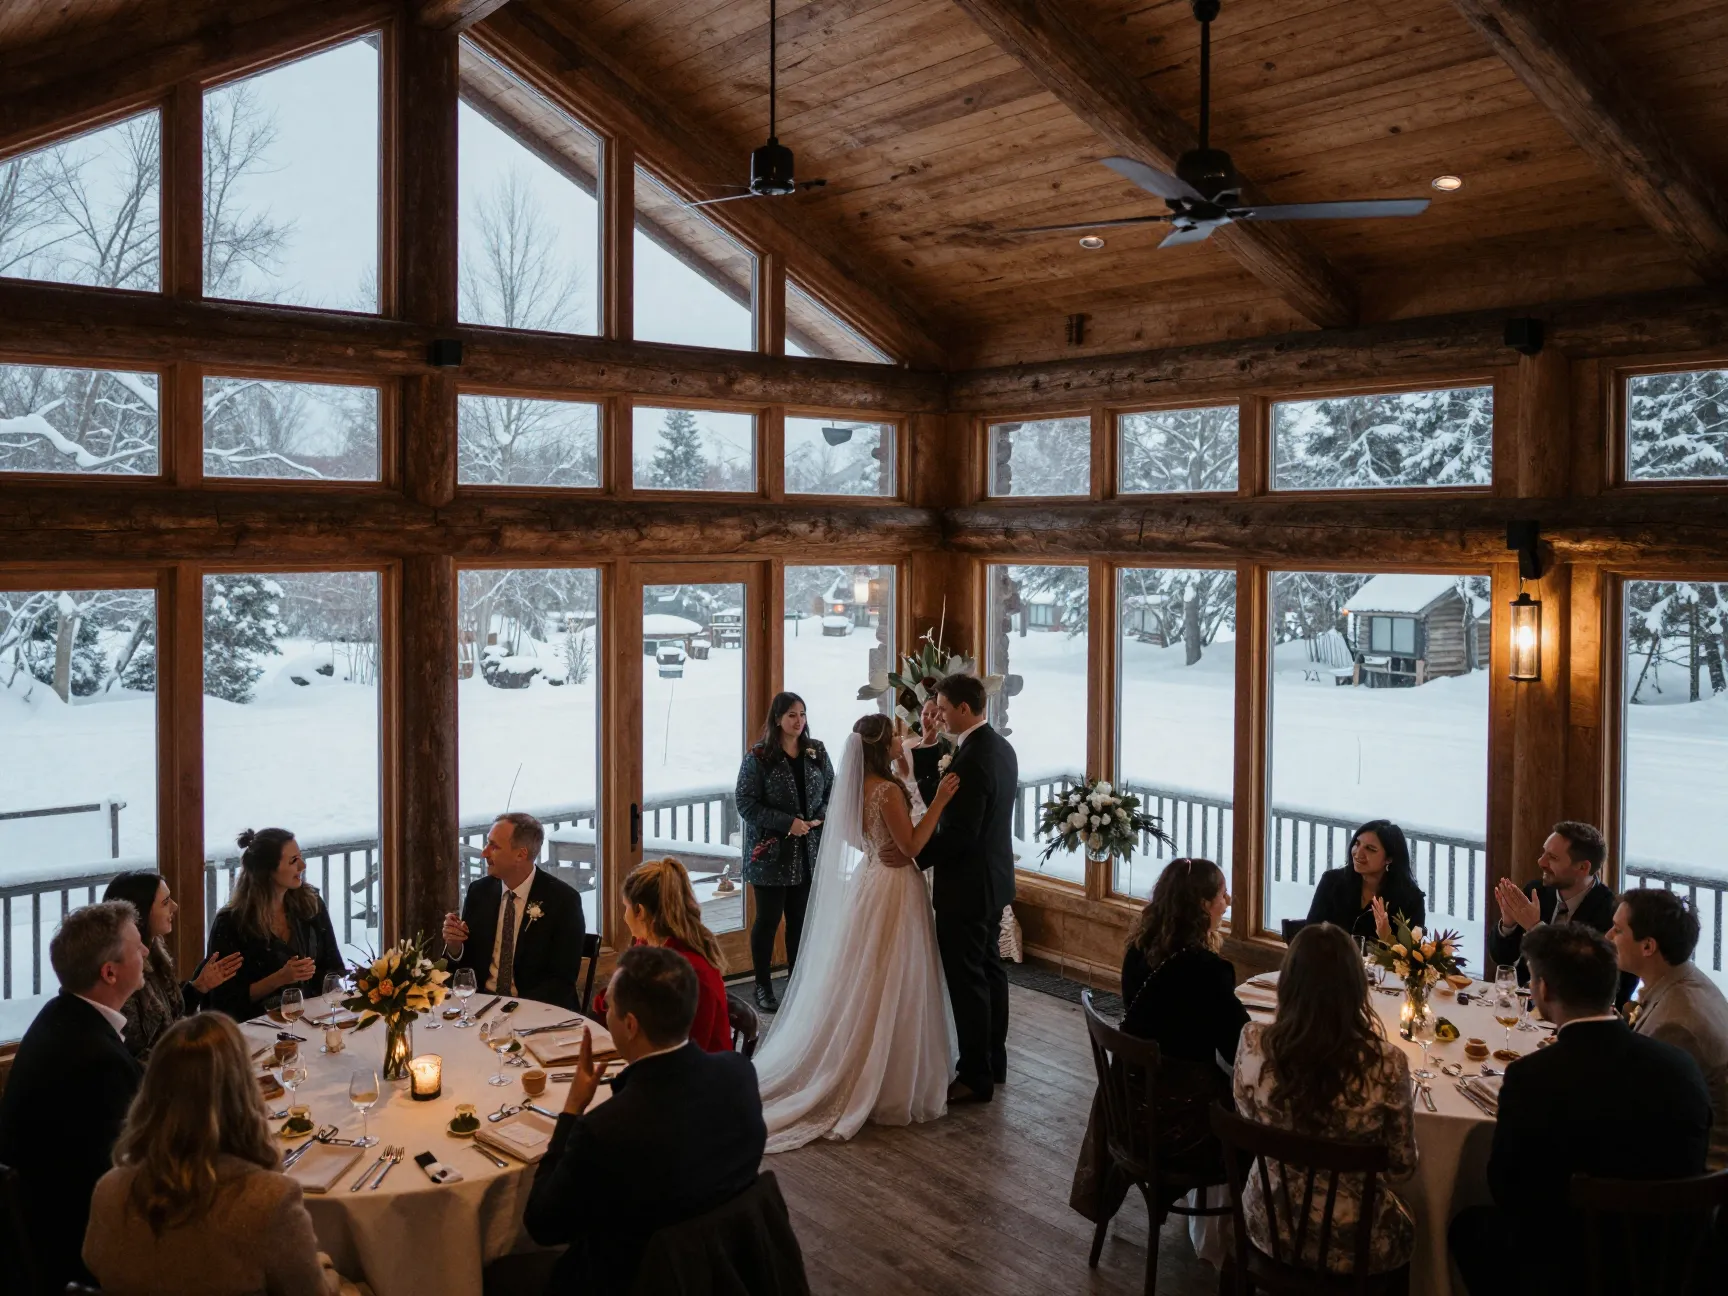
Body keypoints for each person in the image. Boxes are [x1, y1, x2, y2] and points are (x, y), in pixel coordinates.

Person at [1449, 924, 1711, 1296]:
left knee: (1467, 1225)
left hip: (1572, 1269)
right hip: (1674, 1263)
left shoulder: (1532, 1078)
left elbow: (1508, 1190)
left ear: (1543, 990)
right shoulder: (1680, 1065)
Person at [754, 714, 960, 1151]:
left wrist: (876, 845)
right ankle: (881, 1078)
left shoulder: (865, 786)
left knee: (869, 974)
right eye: (896, 735)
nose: (902, 739)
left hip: (871, 877)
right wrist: (940, 800)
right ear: (883, 745)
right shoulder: (884, 791)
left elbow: (850, 835)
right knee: (892, 976)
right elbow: (911, 847)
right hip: (894, 888)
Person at [525, 946, 766, 1295]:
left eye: (610, 1010)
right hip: (726, 1270)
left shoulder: (607, 1128)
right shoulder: (739, 1074)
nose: (605, 1016)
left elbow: (542, 1225)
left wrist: (572, 1109)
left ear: (631, 1024)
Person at [83, 1013, 336, 1296]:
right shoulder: (270, 1201)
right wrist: (324, 1264)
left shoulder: (110, 1191)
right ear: (243, 1091)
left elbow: (96, 1264)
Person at [1070, 858, 1246, 1234]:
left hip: (1129, 1108)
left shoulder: (1139, 948)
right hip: (1180, 1124)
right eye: (1222, 894)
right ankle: (1235, 1244)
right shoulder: (1209, 972)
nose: (1227, 901)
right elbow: (1238, 1052)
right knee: (1256, 1127)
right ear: (1202, 904)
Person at [1233, 923, 1418, 1276]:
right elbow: (1402, 1168)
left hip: (1268, 1221)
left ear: (1287, 984)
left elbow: (1247, 1115)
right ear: (1356, 989)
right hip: (1352, 1244)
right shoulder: (1386, 1064)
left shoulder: (1253, 1042)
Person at [0, 901, 146, 1294]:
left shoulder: (62, 1015)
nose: (147, 951)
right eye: (137, 947)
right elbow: (129, 1171)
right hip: (77, 1250)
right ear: (110, 972)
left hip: (51, 1221)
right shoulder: (93, 1059)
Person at [911, 672, 1017, 1103]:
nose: (937, 711)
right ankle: (994, 1059)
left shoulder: (973, 758)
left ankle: (975, 1074)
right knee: (990, 970)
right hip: (994, 880)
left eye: (941, 705)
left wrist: (914, 857)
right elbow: (948, 799)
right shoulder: (997, 747)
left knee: (968, 978)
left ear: (963, 709)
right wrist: (929, 742)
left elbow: (961, 833)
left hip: (968, 888)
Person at [1610, 888, 1728, 1170]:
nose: (1608, 938)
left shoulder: (1676, 1025)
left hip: (1692, 1179)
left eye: (1617, 930)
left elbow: (1631, 1109)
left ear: (1648, 946)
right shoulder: (1686, 977)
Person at [735, 692, 834, 1011]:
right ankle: (762, 985)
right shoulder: (759, 756)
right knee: (768, 920)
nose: (799, 720)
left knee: (800, 920)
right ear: (777, 718)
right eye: (792, 714)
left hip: (807, 853)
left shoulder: (816, 752)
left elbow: (832, 790)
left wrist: (819, 815)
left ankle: (798, 983)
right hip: (770, 855)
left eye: (803, 714)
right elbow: (745, 803)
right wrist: (786, 823)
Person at [442, 811, 585, 1009]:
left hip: (537, 1011)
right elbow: (467, 966)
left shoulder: (563, 901)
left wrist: (511, 1008)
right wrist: (455, 947)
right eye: (487, 843)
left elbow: (562, 981)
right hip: (481, 1006)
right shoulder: (480, 892)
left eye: (494, 846)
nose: (484, 853)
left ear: (521, 854)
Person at [589, 857, 731, 1052]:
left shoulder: (692, 973)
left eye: (626, 907)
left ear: (640, 911)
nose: (624, 916)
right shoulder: (648, 944)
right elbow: (608, 1003)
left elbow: (688, 1055)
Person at [206, 828, 344, 1021]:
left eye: (301, 857)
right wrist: (280, 978)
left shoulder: (311, 904)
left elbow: (333, 968)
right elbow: (224, 1001)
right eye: (293, 861)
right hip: (257, 1029)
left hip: (313, 1021)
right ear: (268, 871)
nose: (302, 866)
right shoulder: (231, 923)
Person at [101, 870, 243, 1058]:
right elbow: (136, 1051)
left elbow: (172, 1018)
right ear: (141, 913)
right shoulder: (123, 973)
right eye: (166, 902)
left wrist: (199, 986)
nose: (175, 907)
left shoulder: (156, 953)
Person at [1488, 820, 1618, 982]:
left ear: (1583, 868)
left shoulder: (1610, 913)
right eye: (1544, 853)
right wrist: (1508, 925)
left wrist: (1536, 928)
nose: (1541, 862)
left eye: (1553, 858)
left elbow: (1583, 977)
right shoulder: (1537, 892)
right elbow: (1503, 959)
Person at [1303, 819, 1425, 944]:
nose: (1358, 853)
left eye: (1370, 849)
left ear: (1389, 859)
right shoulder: (1332, 881)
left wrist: (1387, 937)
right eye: (1357, 843)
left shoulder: (1410, 899)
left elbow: (1409, 957)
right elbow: (1310, 934)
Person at [899, 694, 952, 809]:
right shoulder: (907, 745)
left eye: (933, 715)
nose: (929, 718)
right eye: (925, 714)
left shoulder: (946, 747)